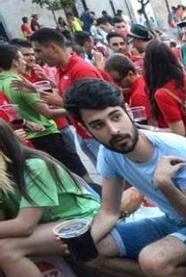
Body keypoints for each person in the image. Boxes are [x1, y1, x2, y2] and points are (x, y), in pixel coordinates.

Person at [62, 79, 186, 277]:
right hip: (172, 222)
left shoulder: (177, 149)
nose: (113, 130)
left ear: (127, 112)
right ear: (87, 131)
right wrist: (83, 242)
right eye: (98, 125)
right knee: (89, 252)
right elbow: (109, 211)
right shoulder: (109, 154)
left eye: (115, 117)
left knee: (153, 259)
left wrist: (164, 184)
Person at [0, 121, 99, 277]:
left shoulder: (33, 166)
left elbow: (25, 226)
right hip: (49, 226)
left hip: (84, 222)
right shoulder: (4, 173)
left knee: (5, 249)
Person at [0, 43, 89, 183]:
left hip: (30, 139)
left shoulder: (2, 84)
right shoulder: (18, 83)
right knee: (79, 175)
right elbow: (47, 113)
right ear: (14, 62)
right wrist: (78, 109)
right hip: (47, 135)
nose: (25, 61)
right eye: (22, 57)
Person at [29, 28, 110, 166]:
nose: (36, 56)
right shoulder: (62, 69)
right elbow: (73, 102)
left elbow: (97, 105)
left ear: (52, 48)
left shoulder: (81, 69)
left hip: (96, 135)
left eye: (38, 51)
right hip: (83, 134)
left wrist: (61, 102)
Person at [105, 55, 150, 121]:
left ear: (130, 74)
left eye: (118, 80)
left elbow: (150, 125)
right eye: (113, 81)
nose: (116, 84)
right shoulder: (143, 80)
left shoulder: (138, 96)